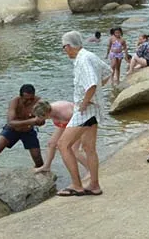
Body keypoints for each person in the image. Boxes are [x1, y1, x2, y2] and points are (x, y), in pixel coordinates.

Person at [58, 31, 112, 197]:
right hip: (93, 109)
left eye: (64, 48)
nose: (64, 51)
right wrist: (95, 96)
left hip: (86, 109)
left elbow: (91, 85)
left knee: (63, 144)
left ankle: (77, 185)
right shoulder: (90, 56)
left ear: (68, 46)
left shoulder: (83, 59)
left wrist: (84, 102)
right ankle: (94, 185)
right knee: (89, 148)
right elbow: (108, 72)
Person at [0, 84, 45, 189]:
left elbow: (42, 122)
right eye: (26, 99)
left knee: (37, 157)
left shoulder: (39, 102)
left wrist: (39, 121)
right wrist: (31, 120)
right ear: (20, 97)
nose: (28, 102)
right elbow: (10, 122)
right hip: (12, 130)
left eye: (31, 99)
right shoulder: (14, 102)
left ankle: (44, 178)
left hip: (28, 131)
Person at [33, 101, 89, 178]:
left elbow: (83, 120)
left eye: (39, 117)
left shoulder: (65, 113)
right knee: (51, 144)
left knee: (74, 150)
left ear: (46, 114)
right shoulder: (48, 111)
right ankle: (46, 166)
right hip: (65, 123)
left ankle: (90, 170)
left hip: (79, 123)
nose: (38, 118)